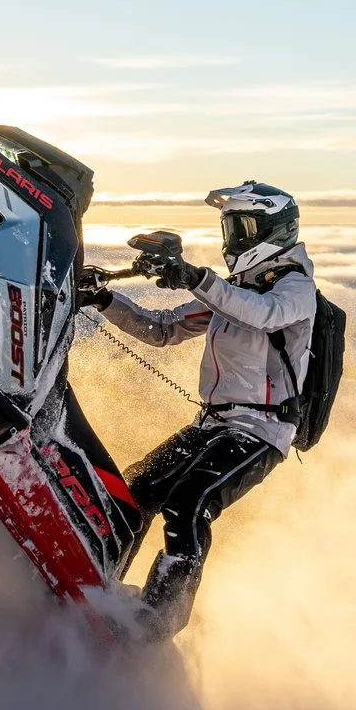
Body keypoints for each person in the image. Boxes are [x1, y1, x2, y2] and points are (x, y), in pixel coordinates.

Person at [78, 181, 317, 637]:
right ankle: (99, 582)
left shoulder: (294, 286)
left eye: (243, 226)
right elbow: (162, 328)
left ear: (274, 229)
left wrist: (196, 278)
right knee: (138, 487)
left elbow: (263, 315)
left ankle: (158, 622)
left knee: (190, 503)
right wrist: (106, 299)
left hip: (261, 430)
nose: (234, 237)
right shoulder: (235, 290)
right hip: (214, 424)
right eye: (230, 226)